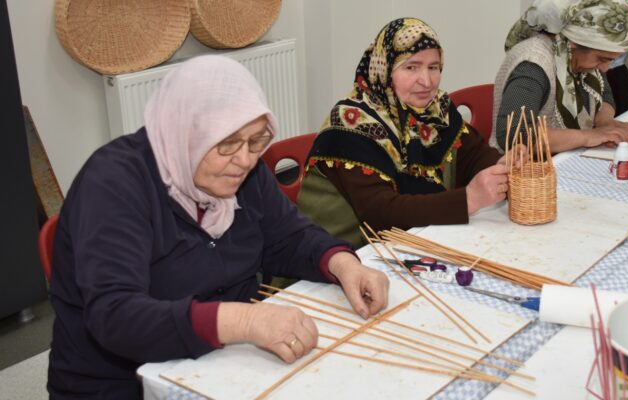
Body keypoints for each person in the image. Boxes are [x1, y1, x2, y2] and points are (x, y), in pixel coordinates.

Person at [47, 55, 389, 399]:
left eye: (257, 141)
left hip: (226, 360)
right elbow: (116, 315)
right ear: (186, 133)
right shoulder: (114, 184)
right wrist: (246, 322)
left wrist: (342, 264)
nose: (244, 160)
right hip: (122, 383)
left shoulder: (241, 172)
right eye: (226, 143)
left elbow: (289, 237)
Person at [298, 18, 523, 248]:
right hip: (334, 261)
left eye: (433, 67)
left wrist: (503, 165)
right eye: (411, 67)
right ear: (384, 68)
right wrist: (468, 200)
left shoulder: (436, 109)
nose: (426, 81)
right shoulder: (350, 126)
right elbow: (383, 214)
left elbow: (472, 154)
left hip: (405, 244)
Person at [492, 0, 628, 154]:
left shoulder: (579, 58)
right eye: (602, 59)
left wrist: (605, 122)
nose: (605, 68)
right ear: (573, 43)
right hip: (525, 169)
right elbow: (514, 135)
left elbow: (604, 94)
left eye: (612, 60)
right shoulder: (533, 65)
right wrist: (588, 136)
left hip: (564, 160)